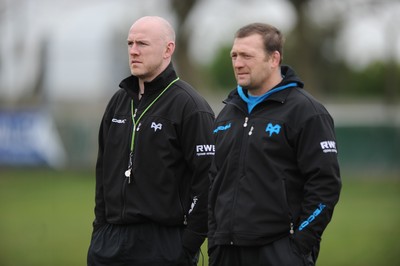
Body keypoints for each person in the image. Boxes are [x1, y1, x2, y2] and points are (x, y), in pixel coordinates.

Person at [208, 22, 341, 266]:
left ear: (274, 59)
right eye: (234, 55)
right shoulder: (226, 113)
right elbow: (213, 181)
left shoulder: (307, 112)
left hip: (279, 252)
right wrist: (215, 240)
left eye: (247, 56)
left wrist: (298, 245)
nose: (237, 63)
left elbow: (325, 185)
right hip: (226, 252)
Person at [87, 16, 215, 266]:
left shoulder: (190, 107)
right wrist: (99, 230)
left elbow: (208, 180)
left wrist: (188, 243)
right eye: (130, 43)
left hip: (164, 246)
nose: (133, 51)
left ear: (168, 49)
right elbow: (103, 172)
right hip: (109, 244)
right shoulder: (118, 102)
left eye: (142, 44)